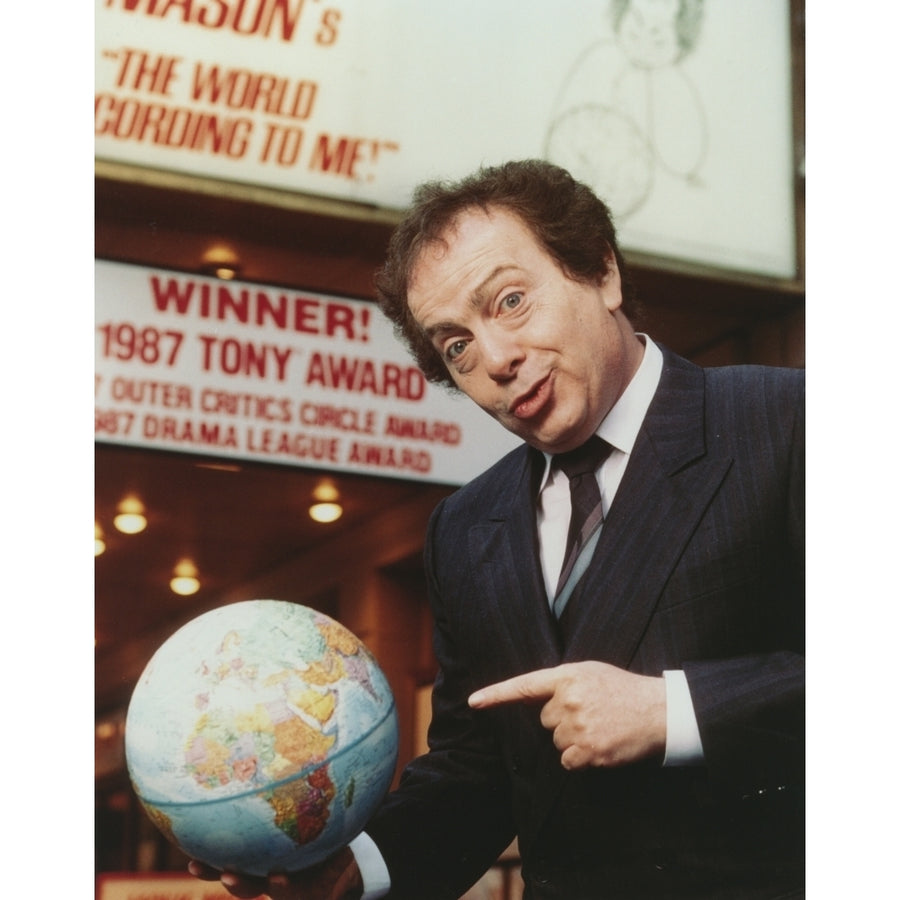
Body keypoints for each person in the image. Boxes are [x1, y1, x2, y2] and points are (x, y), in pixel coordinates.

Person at [191, 160, 804, 899]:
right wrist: (354, 872)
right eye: (456, 347)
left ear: (602, 273)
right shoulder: (465, 527)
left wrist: (673, 710)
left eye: (511, 301)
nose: (497, 360)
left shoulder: (790, 421)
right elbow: (474, 769)